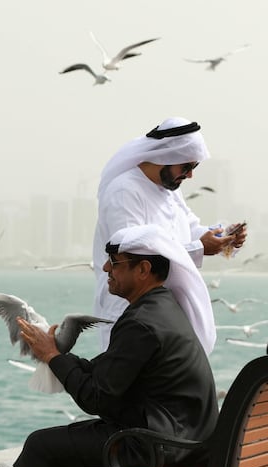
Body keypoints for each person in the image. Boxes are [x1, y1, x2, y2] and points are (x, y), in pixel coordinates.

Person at [13, 224, 219, 467]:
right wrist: (56, 354)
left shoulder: (142, 322)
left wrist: (52, 356)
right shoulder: (163, 309)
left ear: (143, 269)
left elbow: (96, 398)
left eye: (115, 263)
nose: (107, 269)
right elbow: (107, 371)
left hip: (160, 450)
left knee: (40, 448)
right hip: (189, 445)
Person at [93, 117, 247, 353]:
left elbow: (188, 228)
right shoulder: (124, 191)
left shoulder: (169, 191)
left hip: (167, 313)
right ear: (166, 157)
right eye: (186, 167)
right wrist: (199, 248)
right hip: (131, 313)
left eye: (193, 168)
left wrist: (224, 237)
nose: (189, 176)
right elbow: (130, 256)